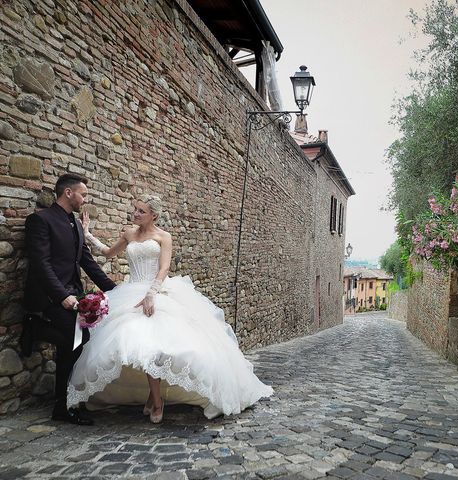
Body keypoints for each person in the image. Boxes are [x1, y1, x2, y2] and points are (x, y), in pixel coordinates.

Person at [68, 195, 273, 422]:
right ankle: (155, 400)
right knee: (139, 346)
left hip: (156, 292)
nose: (135, 214)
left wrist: (151, 294)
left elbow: (164, 268)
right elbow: (108, 253)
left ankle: (156, 400)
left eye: (141, 211)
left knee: (157, 348)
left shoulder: (164, 237)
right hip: (130, 292)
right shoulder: (129, 234)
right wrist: (87, 234)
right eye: (135, 209)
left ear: (153, 215)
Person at [23, 173, 117, 425]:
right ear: (68, 193)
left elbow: (86, 261)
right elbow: (41, 264)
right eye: (83, 194)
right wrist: (62, 295)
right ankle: (35, 326)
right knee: (78, 338)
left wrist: (114, 289)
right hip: (49, 296)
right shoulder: (40, 220)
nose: (85, 199)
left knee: (76, 341)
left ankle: (63, 405)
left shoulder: (75, 223)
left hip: (73, 294)